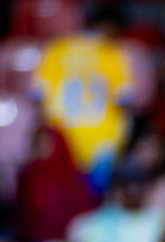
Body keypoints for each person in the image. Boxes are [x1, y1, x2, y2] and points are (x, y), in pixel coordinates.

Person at [30, 4, 136, 192]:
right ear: (112, 26)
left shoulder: (57, 49)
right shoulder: (112, 53)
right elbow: (124, 100)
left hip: (59, 141)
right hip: (100, 144)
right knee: (90, 207)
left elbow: (38, 96)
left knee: (60, 205)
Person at [15, 127, 99, 242]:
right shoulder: (28, 176)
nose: (43, 148)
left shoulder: (72, 177)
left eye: (47, 143)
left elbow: (84, 212)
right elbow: (23, 214)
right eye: (39, 143)